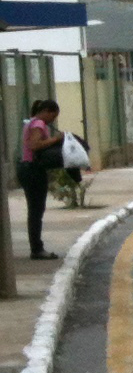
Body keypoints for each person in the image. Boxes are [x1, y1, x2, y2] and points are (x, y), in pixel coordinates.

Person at [17, 99, 63, 261]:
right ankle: (37, 249)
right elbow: (35, 145)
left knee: (35, 210)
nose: (52, 120)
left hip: (27, 168)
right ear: (47, 111)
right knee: (36, 211)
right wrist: (56, 139)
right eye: (53, 116)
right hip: (33, 170)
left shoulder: (30, 123)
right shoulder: (39, 124)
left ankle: (36, 247)